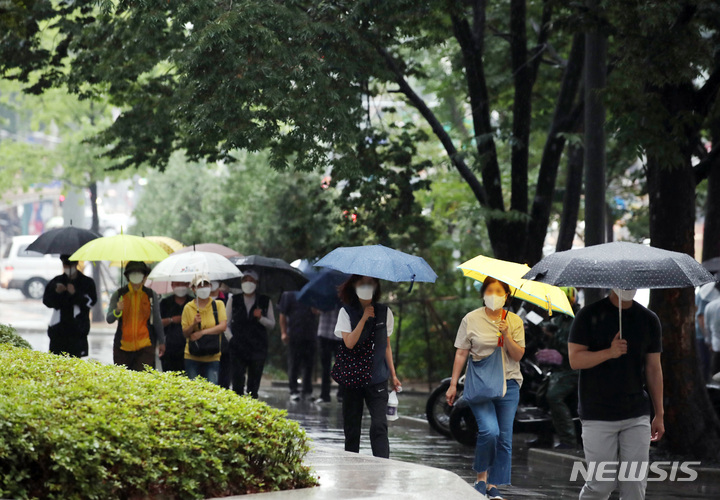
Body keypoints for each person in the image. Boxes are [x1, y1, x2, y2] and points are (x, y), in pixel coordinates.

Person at [568, 289, 664, 500]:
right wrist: (609, 353)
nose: (628, 286)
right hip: (597, 412)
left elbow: (653, 368)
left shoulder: (649, 319)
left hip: (636, 412)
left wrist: (659, 413)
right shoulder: (588, 315)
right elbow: (575, 360)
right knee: (601, 484)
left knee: (634, 484)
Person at [446, 277, 525, 499]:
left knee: (504, 438)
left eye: (499, 291)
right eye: (489, 290)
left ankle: (493, 485)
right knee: (490, 431)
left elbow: (518, 355)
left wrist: (506, 334)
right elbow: (461, 352)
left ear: (506, 295)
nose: (493, 294)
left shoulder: (515, 321)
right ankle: (481, 478)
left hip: (509, 384)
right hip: (480, 383)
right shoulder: (470, 319)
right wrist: (453, 385)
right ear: (483, 293)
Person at [334, 275, 402, 459]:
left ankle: (382, 465)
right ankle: (351, 467)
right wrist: (363, 319)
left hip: (377, 377)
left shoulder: (385, 312)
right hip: (352, 378)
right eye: (362, 282)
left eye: (371, 282)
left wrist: (393, 375)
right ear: (353, 285)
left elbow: (386, 345)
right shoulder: (345, 312)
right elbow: (349, 343)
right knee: (352, 428)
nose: (366, 286)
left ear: (377, 286)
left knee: (380, 425)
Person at [538, 286, 580, 450]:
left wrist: (553, 337)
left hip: (572, 370)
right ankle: (544, 437)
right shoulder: (561, 318)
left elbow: (570, 348)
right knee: (540, 396)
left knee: (553, 396)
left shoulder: (576, 319)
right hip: (559, 369)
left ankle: (569, 440)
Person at [107, 261, 165, 371]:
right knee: (124, 382)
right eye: (133, 272)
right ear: (128, 276)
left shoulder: (150, 295)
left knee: (142, 381)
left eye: (140, 273)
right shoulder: (119, 294)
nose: (136, 276)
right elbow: (109, 319)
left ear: (144, 276)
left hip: (146, 347)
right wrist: (117, 310)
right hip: (122, 348)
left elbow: (157, 319)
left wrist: (162, 341)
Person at [226, 270, 275, 398]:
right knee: (237, 383)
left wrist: (261, 318)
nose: (248, 283)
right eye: (245, 279)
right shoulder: (233, 300)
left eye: (251, 280)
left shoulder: (264, 301)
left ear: (257, 283)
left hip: (258, 347)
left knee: (253, 384)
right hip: (237, 346)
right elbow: (225, 323)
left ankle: (252, 410)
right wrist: (231, 339)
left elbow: (272, 324)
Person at [42, 254, 97, 357]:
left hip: (77, 331)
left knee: (75, 364)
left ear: (76, 263)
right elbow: (47, 301)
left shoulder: (87, 282)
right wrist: (56, 292)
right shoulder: (56, 281)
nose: (68, 267)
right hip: (58, 331)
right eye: (65, 264)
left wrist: (75, 294)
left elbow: (91, 302)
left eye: (71, 264)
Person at [181, 275, 227, 385]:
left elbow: (222, 326)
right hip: (192, 356)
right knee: (193, 390)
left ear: (210, 286)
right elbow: (185, 333)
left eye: (206, 284)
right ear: (193, 289)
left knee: (211, 390)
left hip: (213, 356)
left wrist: (202, 332)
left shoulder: (218, 304)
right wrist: (193, 324)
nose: (204, 288)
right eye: (200, 286)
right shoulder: (188, 307)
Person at [279, 290, 319, 401]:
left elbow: (319, 311)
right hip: (294, 334)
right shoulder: (289, 295)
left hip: (310, 334)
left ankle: (307, 390)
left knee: (309, 365)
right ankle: (293, 390)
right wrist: (284, 332)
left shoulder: (312, 295)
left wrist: (316, 310)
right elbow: (282, 314)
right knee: (294, 363)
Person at [159, 281, 192, 373]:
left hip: (190, 349)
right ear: (172, 286)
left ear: (188, 285)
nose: (180, 287)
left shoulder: (193, 302)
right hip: (169, 348)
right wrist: (172, 320)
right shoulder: (165, 303)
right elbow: (158, 323)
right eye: (178, 284)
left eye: (183, 284)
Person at [316, 306, 343, 403]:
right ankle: (324, 395)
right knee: (325, 367)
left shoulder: (345, 297)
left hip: (340, 336)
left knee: (341, 366)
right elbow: (315, 310)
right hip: (325, 333)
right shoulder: (324, 295)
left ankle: (341, 394)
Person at [210, 280, 232, 389]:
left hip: (224, 346)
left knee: (224, 381)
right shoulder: (198, 300)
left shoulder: (229, 299)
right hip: (205, 347)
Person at [696, 281, 719, 381]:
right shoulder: (704, 295)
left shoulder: (710, 303)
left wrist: (708, 340)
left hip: (714, 341)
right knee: (705, 363)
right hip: (705, 337)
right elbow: (701, 318)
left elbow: (706, 325)